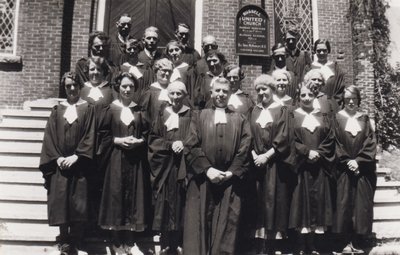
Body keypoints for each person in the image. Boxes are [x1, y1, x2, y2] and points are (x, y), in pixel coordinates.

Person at [183, 77, 252, 255]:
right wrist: (208, 169)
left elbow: (245, 148)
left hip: (229, 181)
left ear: (230, 94)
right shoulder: (199, 116)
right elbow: (191, 145)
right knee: (200, 224)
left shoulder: (240, 118)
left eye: (225, 91)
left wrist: (231, 172)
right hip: (203, 180)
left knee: (226, 226)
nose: (221, 94)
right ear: (211, 92)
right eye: (218, 91)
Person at [39, 72, 94, 255]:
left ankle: (76, 241)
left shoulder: (88, 109)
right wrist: (57, 157)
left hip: (79, 165)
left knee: (79, 203)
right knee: (61, 201)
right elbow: (50, 137)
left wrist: (77, 156)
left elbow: (90, 135)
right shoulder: (57, 110)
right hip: (60, 165)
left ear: (80, 86)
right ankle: (64, 241)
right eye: (68, 85)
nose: (71, 89)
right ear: (64, 87)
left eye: (75, 85)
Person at [98, 72, 149, 255]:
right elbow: (102, 135)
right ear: (118, 88)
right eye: (124, 86)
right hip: (116, 159)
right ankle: (116, 240)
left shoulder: (140, 110)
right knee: (117, 196)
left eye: (131, 87)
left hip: (135, 161)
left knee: (133, 197)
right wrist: (118, 141)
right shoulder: (110, 109)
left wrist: (140, 141)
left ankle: (130, 240)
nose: (128, 89)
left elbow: (148, 134)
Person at [288, 81, 335, 255]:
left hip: (319, 167)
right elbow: (289, 138)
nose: (307, 98)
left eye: (310, 95)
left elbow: (330, 138)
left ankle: (314, 244)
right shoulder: (292, 116)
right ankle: (301, 244)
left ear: (315, 97)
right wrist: (306, 152)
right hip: (301, 167)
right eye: (303, 95)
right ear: (298, 97)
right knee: (301, 205)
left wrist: (319, 153)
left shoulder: (322, 116)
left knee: (318, 203)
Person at [148, 81, 193, 255]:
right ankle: (166, 243)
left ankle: (179, 243)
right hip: (165, 167)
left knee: (181, 204)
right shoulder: (161, 114)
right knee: (165, 205)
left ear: (185, 95)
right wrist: (170, 145)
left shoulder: (190, 115)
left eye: (179, 94)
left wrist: (184, 144)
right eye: (172, 93)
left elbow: (194, 137)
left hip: (182, 166)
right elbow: (154, 139)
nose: (175, 97)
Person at [249, 74, 291, 254]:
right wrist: (254, 155)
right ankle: (260, 245)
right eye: (258, 90)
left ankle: (274, 245)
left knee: (273, 201)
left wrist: (266, 156)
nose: (261, 93)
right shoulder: (254, 110)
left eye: (264, 89)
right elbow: (248, 135)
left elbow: (284, 137)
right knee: (258, 201)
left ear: (272, 89)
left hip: (274, 164)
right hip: (256, 164)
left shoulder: (281, 110)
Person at [332, 85, 377, 254]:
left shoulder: (364, 119)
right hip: (342, 170)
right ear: (343, 100)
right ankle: (344, 242)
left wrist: (358, 161)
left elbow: (370, 143)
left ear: (358, 100)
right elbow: (335, 142)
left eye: (354, 99)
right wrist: (347, 161)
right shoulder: (337, 118)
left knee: (360, 206)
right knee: (343, 204)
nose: (351, 102)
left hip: (362, 170)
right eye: (348, 99)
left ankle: (358, 242)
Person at [310, 39, 346, 107]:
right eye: (318, 50)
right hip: (314, 106)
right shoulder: (310, 68)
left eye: (324, 50)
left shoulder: (336, 68)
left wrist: (332, 104)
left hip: (332, 107)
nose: (321, 53)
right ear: (315, 51)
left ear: (328, 50)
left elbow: (340, 89)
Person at [140, 58, 174, 124]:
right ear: (156, 71)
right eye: (164, 70)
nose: (167, 73)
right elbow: (144, 117)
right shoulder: (149, 92)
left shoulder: (176, 90)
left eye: (169, 71)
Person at [120, 38, 153, 102]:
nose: (132, 51)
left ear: (139, 50)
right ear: (125, 51)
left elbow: (149, 87)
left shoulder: (146, 68)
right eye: (129, 49)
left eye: (134, 48)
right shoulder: (121, 68)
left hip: (142, 103)